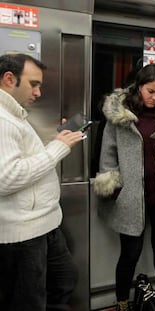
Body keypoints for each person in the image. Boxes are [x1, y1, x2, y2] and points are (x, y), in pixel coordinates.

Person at [93, 63, 155, 311]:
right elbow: (108, 154)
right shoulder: (120, 116)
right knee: (130, 253)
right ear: (139, 86)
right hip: (130, 197)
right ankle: (122, 302)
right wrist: (114, 189)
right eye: (150, 91)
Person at [0, 54, 84, 310]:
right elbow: (6, 178)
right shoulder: (2, 120)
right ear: (9, 79)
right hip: (23, 234)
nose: (38, 92)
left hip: (43, 225)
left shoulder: (15, 116)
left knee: (64, 280)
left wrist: (54, 142)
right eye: (33, 84)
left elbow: (26, 159)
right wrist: (57, 149)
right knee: (30, 300)